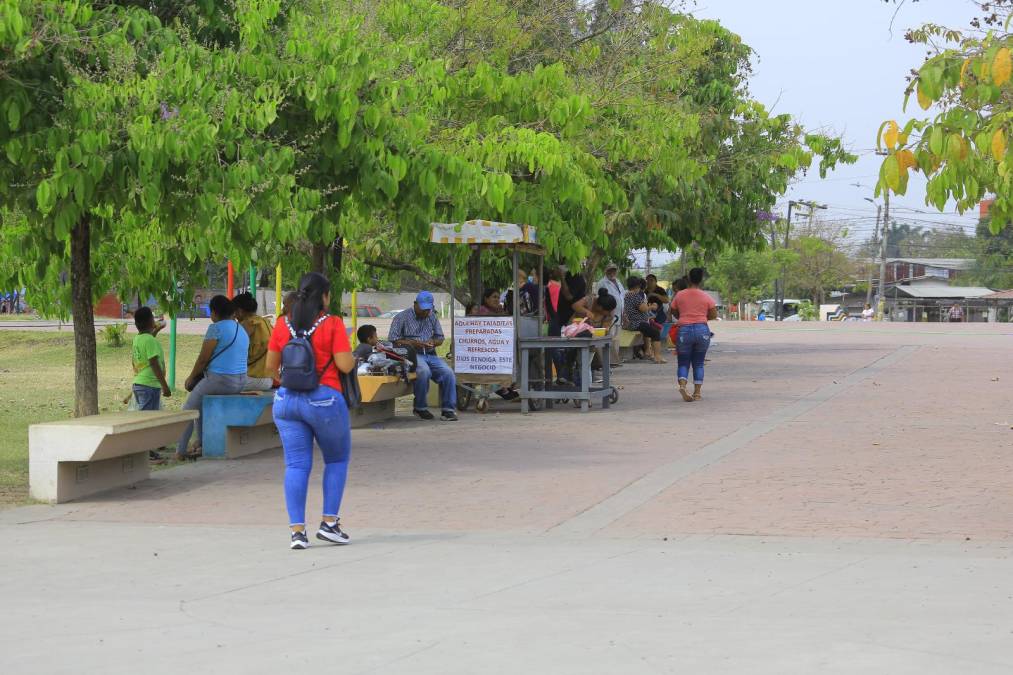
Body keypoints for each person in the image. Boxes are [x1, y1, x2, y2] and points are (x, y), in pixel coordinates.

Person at [265, 272, 355, 550]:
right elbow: (345, 366)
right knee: (336, 460)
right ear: (324, 297)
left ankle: (297, 532)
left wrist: (291, 377)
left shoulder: (283, 325)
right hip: (324, 400)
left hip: (286, 402)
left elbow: (270, 367)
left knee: (295, 464)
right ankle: (329, 524)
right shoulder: (333, 324)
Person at [176, 295, 249, 460]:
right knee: (201, 405)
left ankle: (180, 451)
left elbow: (203, 359)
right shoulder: (241, 328)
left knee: (188, 410)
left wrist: (190, 377)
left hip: (220, 380)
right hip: (241, 381)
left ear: (214, 312)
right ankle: (202, 444)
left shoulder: (215, 328)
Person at [388, 290, 458, 421]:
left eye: (428, 309)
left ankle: (448, 410)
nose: (426, 313)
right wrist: (413, 343)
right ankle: (420, 407)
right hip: (411, 355)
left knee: (448, 373)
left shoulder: (432, 316)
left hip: (430, 354)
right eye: (423, 309)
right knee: (424, 371)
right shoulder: (401, 317)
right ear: (415, 304)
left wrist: (433, 342)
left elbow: (440, 338)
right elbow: (394, 340)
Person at [670, 267, 717, 402]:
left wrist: (683, 316)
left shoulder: (680, 295)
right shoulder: (706, 296)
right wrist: (701, 317)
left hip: (684, 330)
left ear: (689, 278)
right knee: (699, 363)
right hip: (702, 330)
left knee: (683, 362)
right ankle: (697, 393)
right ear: (701, 280)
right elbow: (714, 314)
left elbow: (673, 310)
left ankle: (683, 386)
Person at [130, 307, 171, 411]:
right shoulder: (150, 340)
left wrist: (157, 330)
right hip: (149, 386)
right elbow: (154, 363)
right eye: (153, 318)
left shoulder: (138, 338)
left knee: (149, 418)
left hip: (141, 384)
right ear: (150, 321)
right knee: (147, 420)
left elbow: (149, 339)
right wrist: (165, 386)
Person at [233, 292, 274, 391]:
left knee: (215, 381)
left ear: (240, 311)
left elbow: (233, 350)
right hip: (268, 379)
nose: (234, 316)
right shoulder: (265, 322)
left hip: (253, 378)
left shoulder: (248, 324)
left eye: (234, 312)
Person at [622, 276, 666, 364]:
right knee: (655, 333)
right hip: (637, 323)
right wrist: (652, 306)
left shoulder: (627, 295)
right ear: (637, 286)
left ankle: (651, 353)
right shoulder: (635, 296)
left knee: (652, 332)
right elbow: (643, 308)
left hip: (633, 322)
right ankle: (657, 357)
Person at [595, 263, 625, 364]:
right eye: (610, 270)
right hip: (608, 315)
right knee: (609, 337)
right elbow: (599, 299)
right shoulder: (602, 283)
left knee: (616, 338)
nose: (612, 272)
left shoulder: (619, 282)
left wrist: (624, 314)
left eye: (614, 270)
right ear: (606, 271)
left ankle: (614, 361)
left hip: (619, 314)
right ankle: (607, 361)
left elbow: (622, 298)